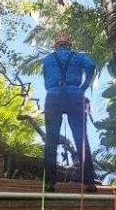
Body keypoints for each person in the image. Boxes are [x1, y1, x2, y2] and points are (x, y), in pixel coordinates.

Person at [42, 31, 97, 193]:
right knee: (81, 139)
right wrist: (84, 87)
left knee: (51, 141)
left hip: (53, 97)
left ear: (56, 45)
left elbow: (46, 81)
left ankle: (49, 182)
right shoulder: (78, 57)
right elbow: (91, 66)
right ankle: (89, 182)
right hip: (75, 97)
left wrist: (53, 87)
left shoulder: (48, 59)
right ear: (69, 44)